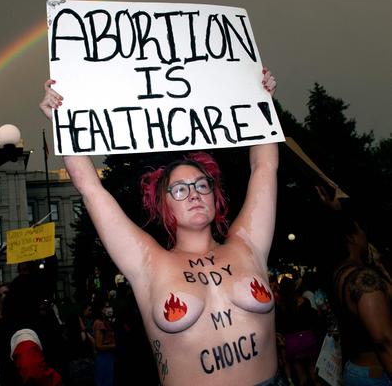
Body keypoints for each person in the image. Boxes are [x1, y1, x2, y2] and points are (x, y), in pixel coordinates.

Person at [40, 69, 281, 385]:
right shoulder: (149, 263)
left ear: (215, 194)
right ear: (164, 205)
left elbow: (264, 166)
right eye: (180, 189)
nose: (194, 193)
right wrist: (63, 118)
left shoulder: (248, 245)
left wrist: (261, 100)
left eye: (201, 185)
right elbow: (91, 188)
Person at [322, 193, 392, 385]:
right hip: (376, 375)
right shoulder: (363, 278)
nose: (366, 238)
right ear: (352, 236)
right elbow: (384, 341)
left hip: (355, 368)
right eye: (362, 232)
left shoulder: (338, 272)